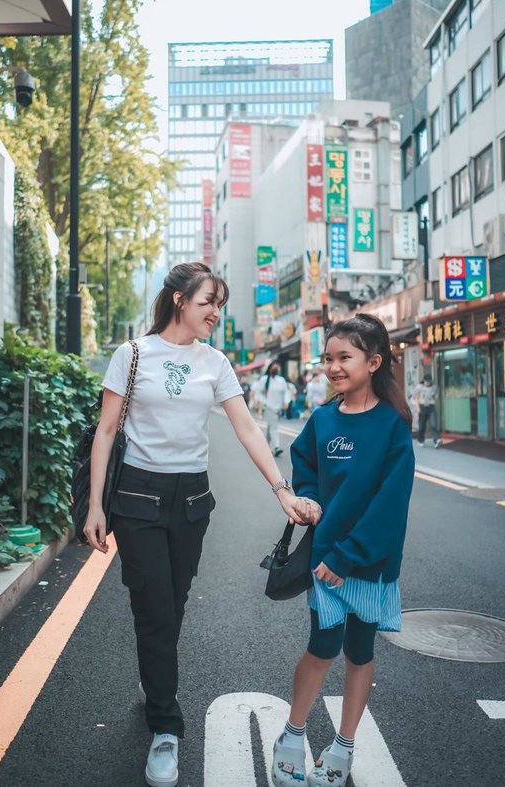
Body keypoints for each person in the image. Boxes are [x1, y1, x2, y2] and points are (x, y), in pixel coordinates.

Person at [83, 262, 317, 787]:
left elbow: (246, 428)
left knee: (176, 600)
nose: (215, 313)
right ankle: (166, 728)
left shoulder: (215, 362)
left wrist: (281, 489)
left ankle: (154, 677)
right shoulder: (133, 354)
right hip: (136, 499)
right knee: (154, 607)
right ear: (178, 300)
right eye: (208, 301)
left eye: (219, 304)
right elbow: (104, 432)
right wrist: (96, 506)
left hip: (191, 501)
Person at [270, 314, 415, 787]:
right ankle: (292, 736)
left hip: (365, 564)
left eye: (344, 357)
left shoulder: (393, 426)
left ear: (373, 362)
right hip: (326, 558)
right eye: (328, 358)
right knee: (322, 646)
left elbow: (389, 506)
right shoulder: (323, 417)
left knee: (359, 649)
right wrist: (308, 498)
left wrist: (348, 556)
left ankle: (344, 745)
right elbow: (305, 464)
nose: (333, 366)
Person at [254, 361, 290, 456]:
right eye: (273, 368)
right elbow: (258, 393)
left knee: (270, 427)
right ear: (269, 369)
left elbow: (286, 392)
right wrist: (265, 402)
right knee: (274, 427)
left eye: (276, 368)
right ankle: (276, 447)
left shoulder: (281, 380)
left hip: (278, 408)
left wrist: (286, 402)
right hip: (269, 408)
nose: (275, 370)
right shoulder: (264, 379)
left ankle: (264, 446)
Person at [413, 373, 441, 448]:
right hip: (422, 407)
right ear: (424, 380)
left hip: (431, 407)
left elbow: (436, 396)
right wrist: (417, 408)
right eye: (427, 381)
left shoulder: (434, 387)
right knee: (422, 426)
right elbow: (415, 398)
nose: (428, 383)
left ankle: (436, 440)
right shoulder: (419, 387)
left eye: (430, 381)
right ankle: (420, 440)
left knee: (433, 424)